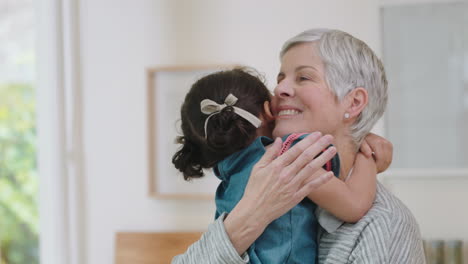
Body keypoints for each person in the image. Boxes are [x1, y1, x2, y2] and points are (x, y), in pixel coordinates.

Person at [172, 28, 424, 264]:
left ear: (354, 102)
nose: (280, 88)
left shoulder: (384, 224)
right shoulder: (270, 176)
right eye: (280, 77)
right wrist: (244, 222)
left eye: (303, 77)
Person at [172, 68, 377, 263]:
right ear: (268, 110)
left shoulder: (227, 182)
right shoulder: (284, 162)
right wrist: (369, 156)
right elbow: (354, 206)